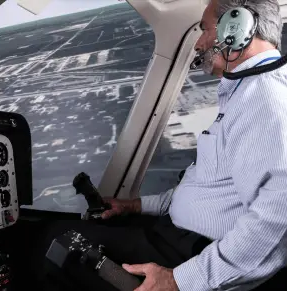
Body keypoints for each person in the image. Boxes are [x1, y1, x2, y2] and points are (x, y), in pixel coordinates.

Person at [39, 0, 287, 290]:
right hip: (174, 237)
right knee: (64, 236)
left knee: (52, 243)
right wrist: (135, 206)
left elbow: (277, 220)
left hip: (191, 256)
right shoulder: (244, 93)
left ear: (236, 27)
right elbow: (208, 187)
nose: (198, 43)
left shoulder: (266, 101)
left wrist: (179, 280)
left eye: (204, 30)